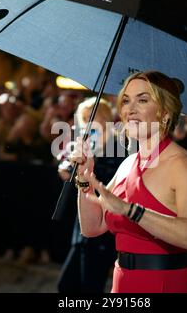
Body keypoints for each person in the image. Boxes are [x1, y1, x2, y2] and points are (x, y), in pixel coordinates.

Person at [70, 71, 187, 293]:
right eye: (126, 100)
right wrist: (84, 178)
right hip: (122, 281)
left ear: (164, 112)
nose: (129, 109)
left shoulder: (181, 163)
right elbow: (91, 228)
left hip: (162, 283)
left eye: (142, 100)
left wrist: (129, 210)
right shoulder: (128, 163)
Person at [57, 97, 124, 293]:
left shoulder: (118, 147)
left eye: (91, 117)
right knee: (67, 285)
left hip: (103, 224)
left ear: (104, 119)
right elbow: (74, 178)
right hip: (82, 223)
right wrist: (70, 170)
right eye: (83, 119)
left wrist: (86, 173)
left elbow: (108, 184)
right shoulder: (85, 146)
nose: (87, 123)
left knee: (90, 285)